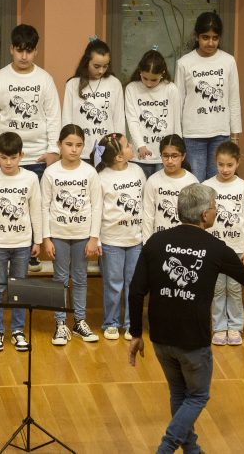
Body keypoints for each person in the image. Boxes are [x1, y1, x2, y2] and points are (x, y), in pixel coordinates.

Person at [127, 184, 244, 454]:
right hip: (193, 340)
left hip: (160, 338)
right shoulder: (215, 247)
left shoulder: (156, 241)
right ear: (203, 214)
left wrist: (136, 333)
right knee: (197, 396)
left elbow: (136, 290)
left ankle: (192, 450)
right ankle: (166, 448)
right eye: (214, 207)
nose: (216, 211)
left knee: (179, 394)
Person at [0, 131, 41, 353]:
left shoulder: (31, 178)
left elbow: (36, 210)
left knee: (19, 287)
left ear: (21, 155)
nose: (8, 162)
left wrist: (37, 240)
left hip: (22, 244)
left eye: (13, 158)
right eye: (3, 157)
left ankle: (17, 330)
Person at [40, 124, 104, 346]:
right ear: (59, 145)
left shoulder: (89, 172)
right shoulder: (51, 172)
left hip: (83, 235)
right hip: (58, 234)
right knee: (60, 279)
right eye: (69, 144)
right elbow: (44, 206)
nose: (74, 149)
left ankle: (79, 321)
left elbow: (97, 206)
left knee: (80, 278)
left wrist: (94, 238)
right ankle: (60, 323)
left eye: (78, 145)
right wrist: (46, 238)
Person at [0, 23, 61, 176]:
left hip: (39, 158)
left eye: (29, 51)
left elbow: (54, 117)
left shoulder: (45, 79)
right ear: (11, 49)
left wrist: (54, 150)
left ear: (36, 51)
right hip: (6, 157)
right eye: (19, 50)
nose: (24, 56)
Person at [177, 12, 241, 177]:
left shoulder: (229, 61)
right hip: (193, 133)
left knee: (218, 181)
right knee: (195, 181)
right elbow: (178, 102)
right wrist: (177, 134)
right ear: (196, 36)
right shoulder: (184, 63)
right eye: (205, 37)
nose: (210, 43)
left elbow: (234, 99)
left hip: (221, 132)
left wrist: (235, 136)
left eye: (215, 38)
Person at [96, 132, 147, 342]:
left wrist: (145, 236)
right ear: (118, 156)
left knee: (133, 284)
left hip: (135, 239)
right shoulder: (102, 178)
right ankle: (111, 322)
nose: (131, 146)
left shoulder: (137, 171)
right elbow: (97, 211)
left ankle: (130, 323)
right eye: (127, 145)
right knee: (113, 283)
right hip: (111, 241)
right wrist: (97, 239)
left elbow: (144, 203)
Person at [204, 141, 244, 346]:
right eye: (221, 164)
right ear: (215, 162)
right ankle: (219, 327)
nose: (225, 169)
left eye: (229, 165)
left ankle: (235, 326)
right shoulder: (207, 186)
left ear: (237, 163)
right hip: (213, 249)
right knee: (216, 289)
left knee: (233, 288)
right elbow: (202, 219)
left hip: (237, 247)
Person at [124, 49, 180, 177]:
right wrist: (141, 145)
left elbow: (176, 122)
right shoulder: (131, 88)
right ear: (140, 71)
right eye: (145, 78)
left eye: (154, 80)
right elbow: (132, 120)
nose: (149, 83)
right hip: (140, 155)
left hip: (166, 155)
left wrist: (178, 149)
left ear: (163, 73)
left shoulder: (171, 89)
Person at [63, 38, 125, 149]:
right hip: (79, 150)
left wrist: (119, 147)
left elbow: (119, 120)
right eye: (96, 66)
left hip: (108, 150)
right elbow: (67, 120)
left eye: (105, 66)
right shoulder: (72, 84)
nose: (101, 71)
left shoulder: (114, 83)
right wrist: (67, 147)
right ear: (87, 62)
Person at [144, 135, 199, 235]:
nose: (169, 161)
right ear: (161, 156)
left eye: (174, 156)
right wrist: (147, 242)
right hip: (159, 239)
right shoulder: (152, 181)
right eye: (165, 156)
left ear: (183, 156)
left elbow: (195, 218)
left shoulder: (192, 181)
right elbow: (148, 216)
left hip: (183, 238)